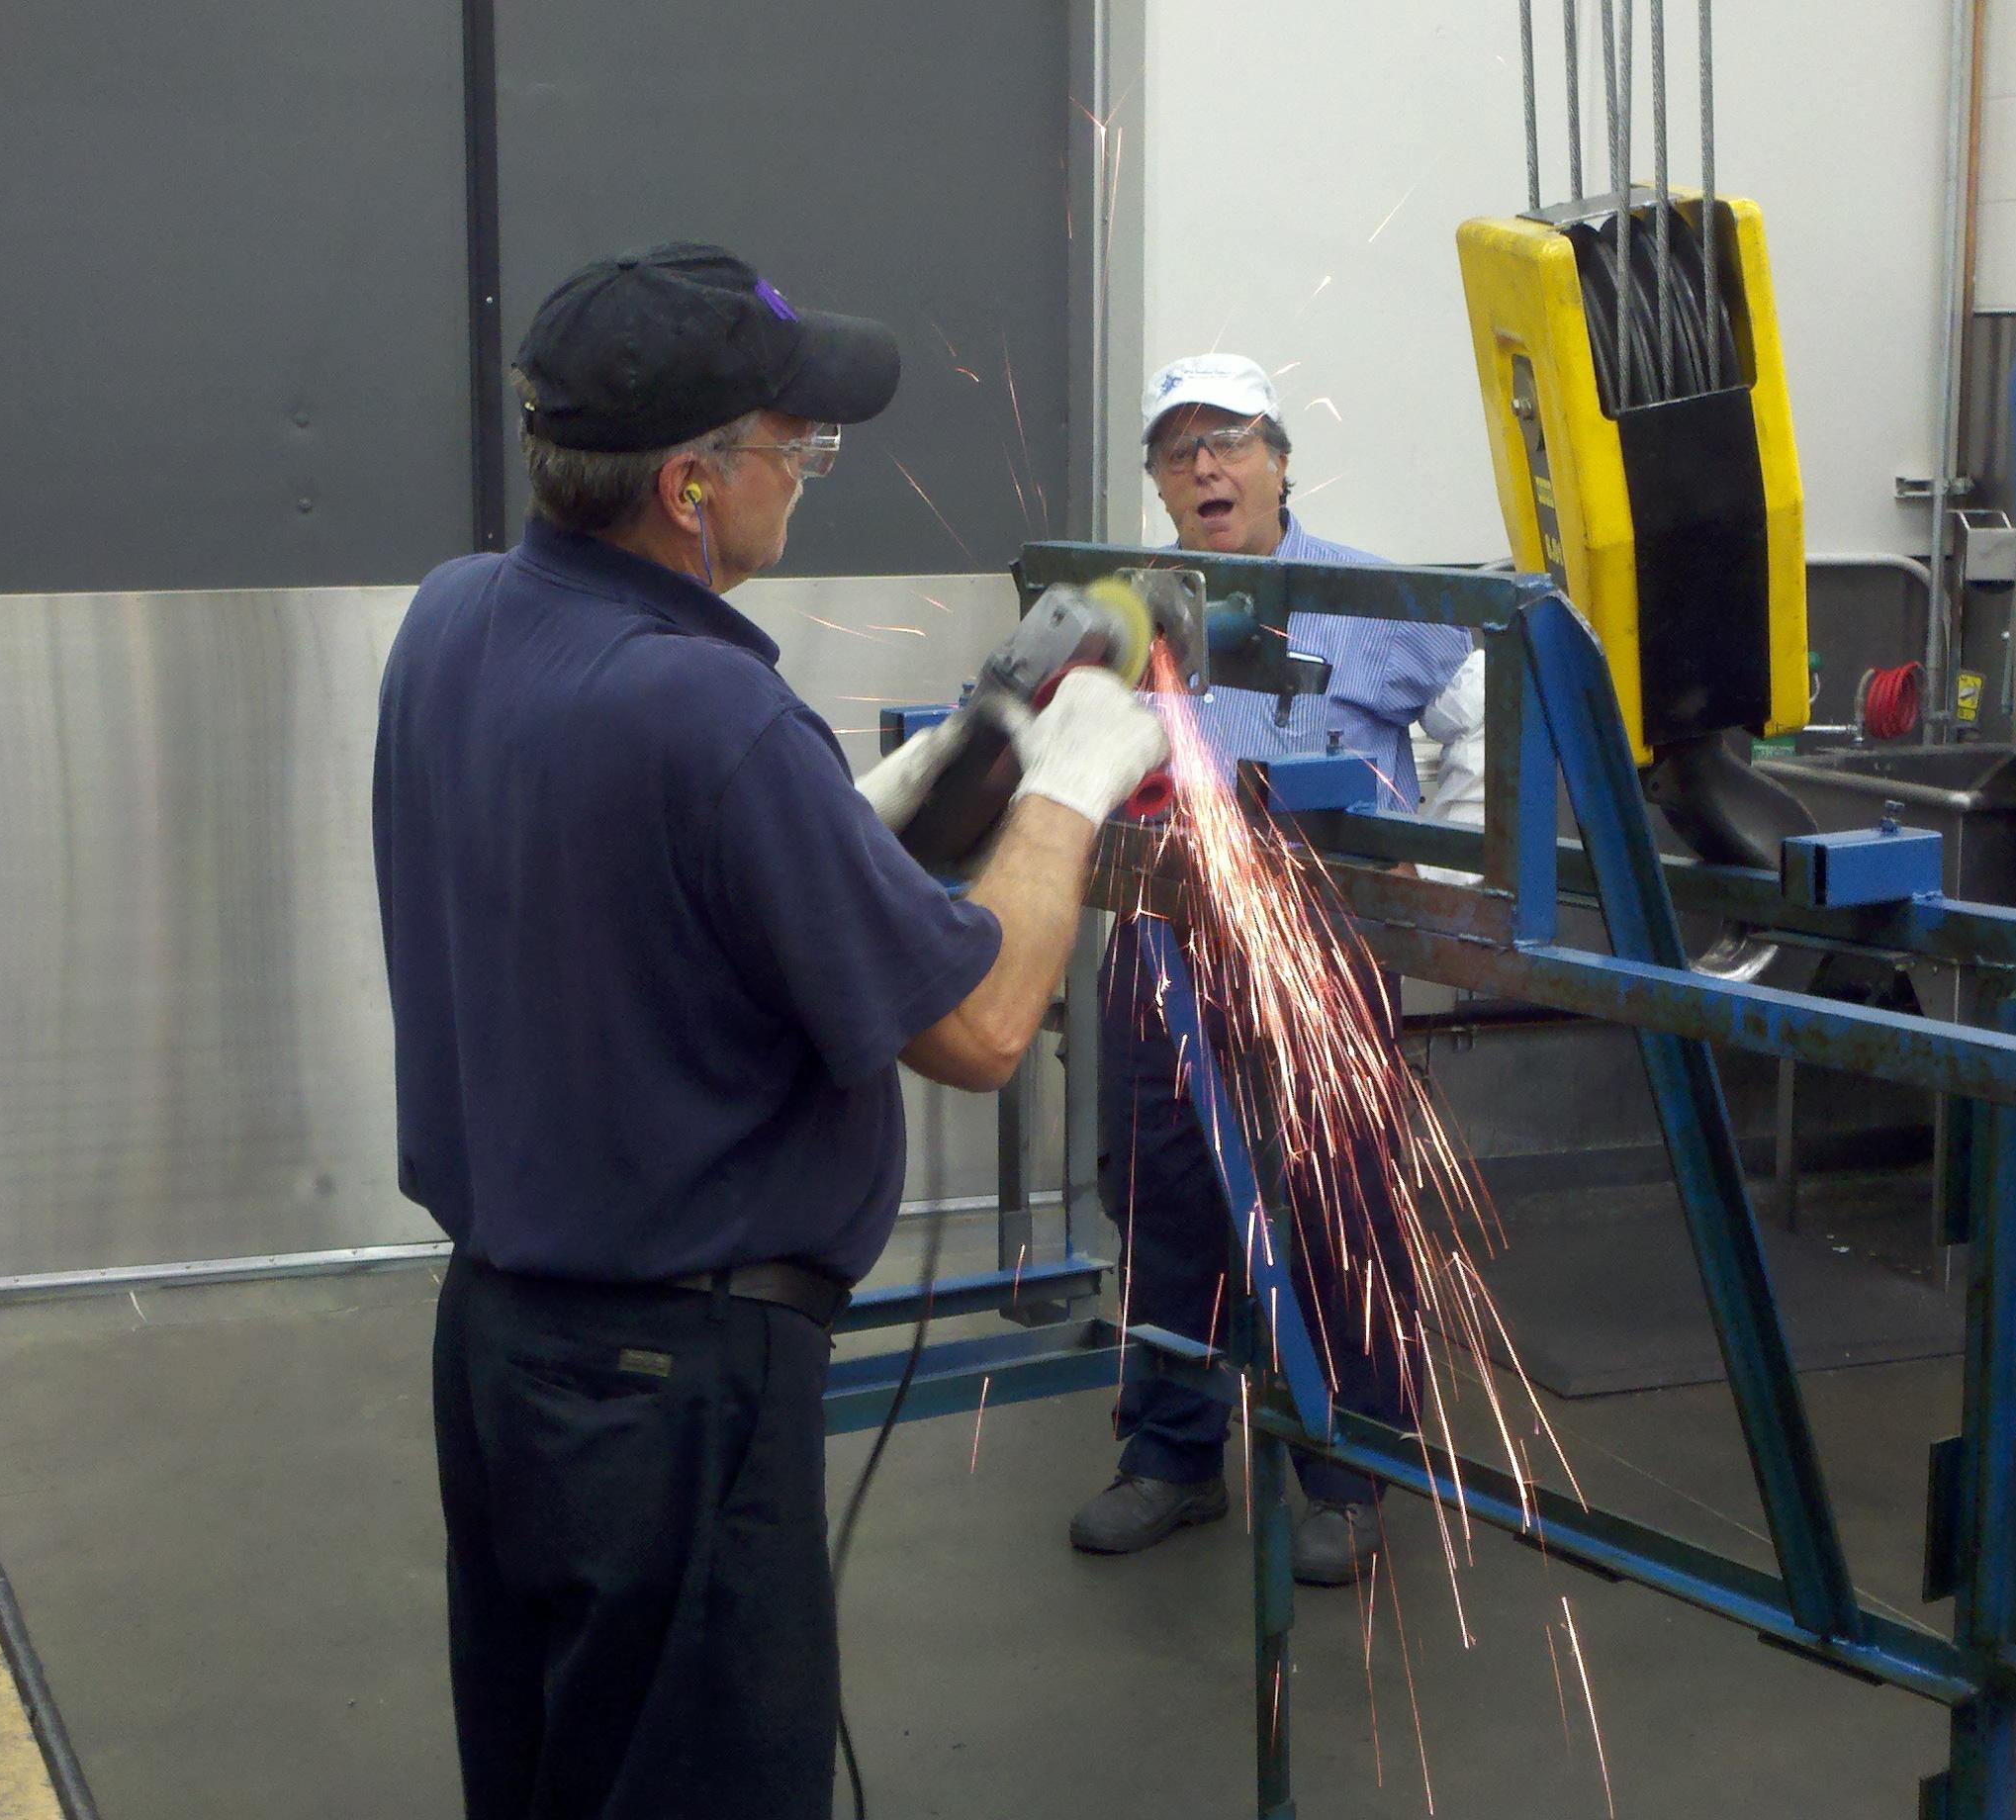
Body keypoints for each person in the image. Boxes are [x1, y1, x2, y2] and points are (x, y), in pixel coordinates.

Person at [375, 242, 1166, 1820]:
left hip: (502, 1352)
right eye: (794, 448)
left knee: (553, 1779)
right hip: (676, 1390)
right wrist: (1077, 775)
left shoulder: (457, 617)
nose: (808, 475)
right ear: (688, 484)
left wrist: (886, 792)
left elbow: (650, 878)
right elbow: (985, 1024)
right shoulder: (710, 712)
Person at [1071, 352, 1485, 1586]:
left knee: (1339, 1197)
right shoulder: (1126, 609)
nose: (1208, 465)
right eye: (1181, 446)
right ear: (1154, 479)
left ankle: (1352, 1471)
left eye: (1233, 439)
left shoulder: (1372, 595)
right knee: (1165, 1194)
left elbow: (1486, 715)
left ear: (1281, 458)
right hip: (1158, 936)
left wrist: (1437, 882)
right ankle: (1170, 1455)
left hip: (1320, 942)